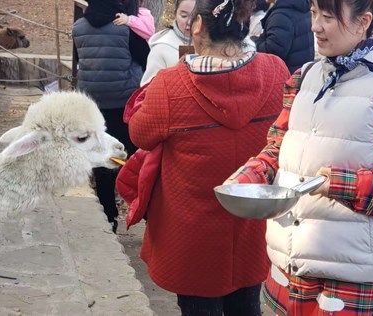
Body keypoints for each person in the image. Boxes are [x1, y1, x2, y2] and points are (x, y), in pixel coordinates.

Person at [225, 0, 373, 314]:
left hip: (353, 275)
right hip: (291, 261)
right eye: (314, 13)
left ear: (363, 21)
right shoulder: (303, 78)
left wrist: (341, 183)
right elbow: (277, 146)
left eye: (327, 17)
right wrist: (249, 178)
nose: (315, 26)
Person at [128, 0, 291, 313]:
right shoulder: (276, 71)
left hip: (192, 238)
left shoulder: (170, 84)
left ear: (199, 26)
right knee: (247, 306)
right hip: (251, 227)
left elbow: (139, 134)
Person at [72, 0, 142, 233]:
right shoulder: (125, 27)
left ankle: (108, 214)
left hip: (93, 103)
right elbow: (145, 58)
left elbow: (80, 61)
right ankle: (140, 208)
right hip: (122, 101)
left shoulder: (78, 27)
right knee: (129, 154)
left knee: (102, 158)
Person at [140, 0, 196, 85]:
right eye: (184, 16)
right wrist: (173, 73)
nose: (189, 22)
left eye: (195, 17)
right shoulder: (161, 47)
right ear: (175, 15)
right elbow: (147, 88)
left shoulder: (212, 44)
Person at [250, 0, 314, 73]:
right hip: (300, 74)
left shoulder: (282, 15)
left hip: (286, 77)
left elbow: (273, 51)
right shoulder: (300, 7)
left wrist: (252, 42)